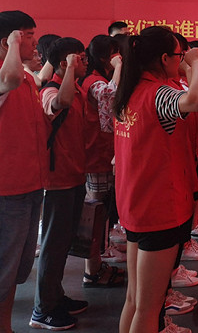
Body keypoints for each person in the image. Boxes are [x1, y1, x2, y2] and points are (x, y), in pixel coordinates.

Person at [113, 26, 198, 333]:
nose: (182, 60)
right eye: (178, 56)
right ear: (165, 58)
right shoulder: (159, 94)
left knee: (134, 300)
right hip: (159, 208)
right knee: (149, 306)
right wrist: (196, 62)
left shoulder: (129, 91)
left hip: (136, 205)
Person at [0, 11, 49, 333]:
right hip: (3, 190)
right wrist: (14, 45)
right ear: (8, 41)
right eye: (28, 35)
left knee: (12, 272)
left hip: (29, 185)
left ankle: (5, 329)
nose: (35, 42)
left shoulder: (27, 79)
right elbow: (9, 79)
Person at [31, 37, 90, 330]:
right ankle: (42, 310)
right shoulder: (50, 90)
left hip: (75, 176)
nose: (86, 63)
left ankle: (55, 296)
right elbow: (59, 103)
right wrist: (68, 69)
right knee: (53, 245)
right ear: (66, 63)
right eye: (80, 58)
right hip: (57, 181)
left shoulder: (77, 90)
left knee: (64, 243)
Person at [79, 34, 125, 286]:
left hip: (104, 152)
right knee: (96, 212)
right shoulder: (93, 81)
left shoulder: (101, 78)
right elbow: (110, 96)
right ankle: (92, 270)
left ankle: (98, 260)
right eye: (115, 53)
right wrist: (118, 68)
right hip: (96, 153)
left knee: (104, 210)